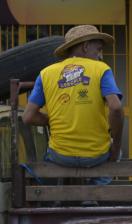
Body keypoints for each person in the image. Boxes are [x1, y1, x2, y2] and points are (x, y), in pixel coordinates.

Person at [22, 25, 123, 184]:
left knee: (48, 157)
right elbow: (116, 107)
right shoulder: (102, 69)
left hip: (60, 156)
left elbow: (27, 117)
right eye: (98, 49)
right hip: (96, 155)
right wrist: (116, 147)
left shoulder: (45, 74)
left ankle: (56, 198)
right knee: (118, 152)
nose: (100, 55)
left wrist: (54, 119)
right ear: (85, 46)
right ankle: (92, 192)